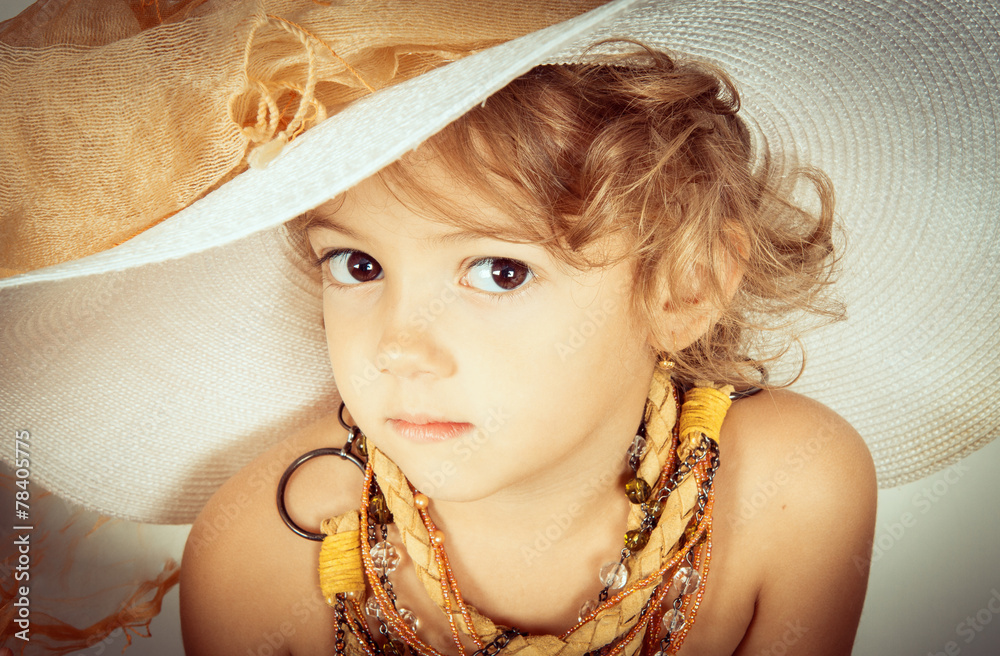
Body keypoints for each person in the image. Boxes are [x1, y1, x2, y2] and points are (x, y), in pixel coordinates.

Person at [180, 51, 876, 655]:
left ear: (684, 290)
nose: (398, 350)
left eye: (499, 272)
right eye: (358, 265)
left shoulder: (792, 490)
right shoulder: (256, 565)